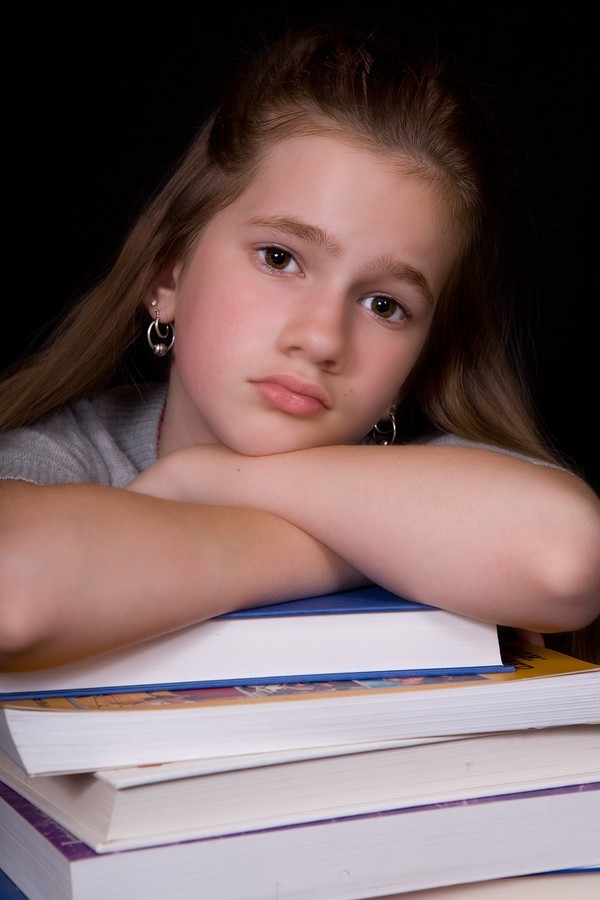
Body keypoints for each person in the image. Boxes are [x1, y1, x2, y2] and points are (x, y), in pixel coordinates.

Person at [1, 25, 598, 672]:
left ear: (413, 368)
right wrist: (341, 552)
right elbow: (16, 589)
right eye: (280, 258)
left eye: (384, 306)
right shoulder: (62, 458)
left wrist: (208, 481)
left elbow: (567, 560)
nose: (320, 338)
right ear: (168, 274)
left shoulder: (435, 483)